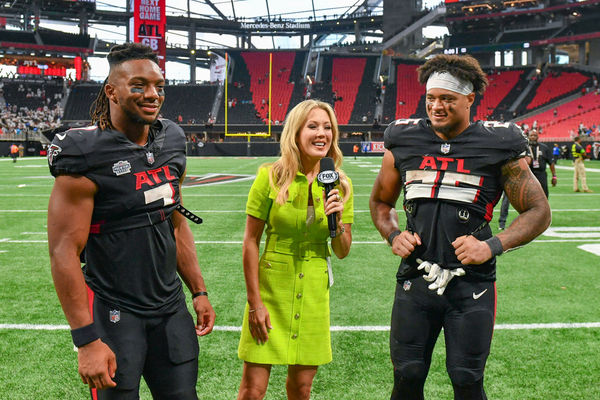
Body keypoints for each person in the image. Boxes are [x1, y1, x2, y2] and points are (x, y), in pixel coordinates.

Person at [369, 54, 551, 400]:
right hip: (415, 280)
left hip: (472, 287)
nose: (436, 106)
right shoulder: (404, 139)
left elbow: (538, 211)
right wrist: (393, 234)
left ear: (470, 99)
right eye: (431, 98)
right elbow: (380, 202)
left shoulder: (498, 144)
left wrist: (492, 245)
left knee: (467, 380)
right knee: (406, 377)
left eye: (447, 99)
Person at [47, 43, 215, 399]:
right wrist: (86, 338)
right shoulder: (84, 153)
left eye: (158, 85)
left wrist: (198, 290)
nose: (152, 94)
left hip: (170, 307)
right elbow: (64, 251)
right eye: (138, 85)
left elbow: (176, 220)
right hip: (113, 311)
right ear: (111, 91)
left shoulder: (172, 139)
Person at [237, 99, 354, 400]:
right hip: (271, 290)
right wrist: (255, 304)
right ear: (296, 132)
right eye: (313, 126)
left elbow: (342, 250)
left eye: (327, 128)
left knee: (301, 389)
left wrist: (337, 220)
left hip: (314, 289)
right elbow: (251, 241)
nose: (322, 134)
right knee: (253, 390)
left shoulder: (340, 183)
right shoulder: (270, 176)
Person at [498, 128, 557, 229]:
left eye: (535, 135)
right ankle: (502, 222)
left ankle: (542, 220)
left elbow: (551, 163)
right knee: (508, 199)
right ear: (527, 137)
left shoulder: (544, 147)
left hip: (541, 174)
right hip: (523, 175)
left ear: (538, 137)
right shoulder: (521, 147)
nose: (533, 137)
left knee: (544, 198)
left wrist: (554, 176)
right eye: (531, 135)